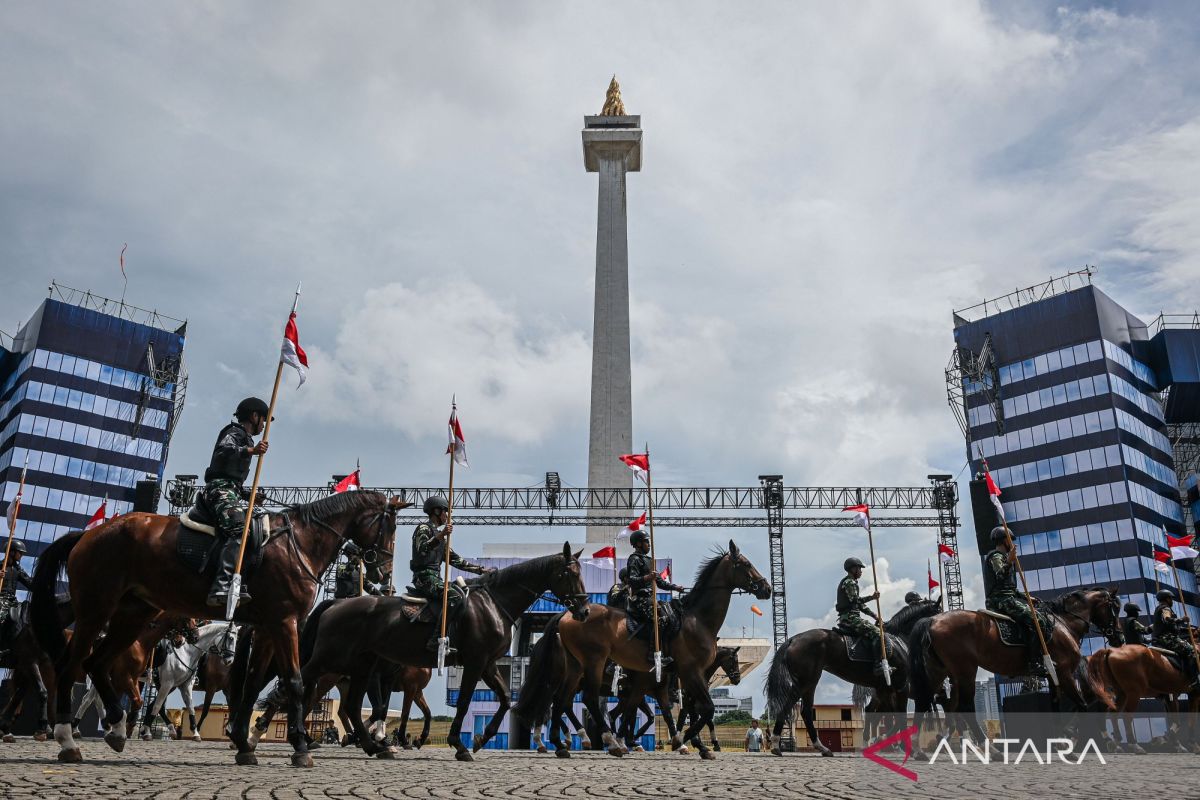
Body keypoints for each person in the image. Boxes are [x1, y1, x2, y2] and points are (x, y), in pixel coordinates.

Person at [202, 397, 270, 608]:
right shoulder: (235, 432)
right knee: (240, 528)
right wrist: (252, 451)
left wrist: (249, 496)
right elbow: (224, 450)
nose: (264, 425)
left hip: (231, 490)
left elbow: (234, 479)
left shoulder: (247, 439)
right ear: (255, 416)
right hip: (218, 489)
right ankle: (222, 583)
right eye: (264, 420)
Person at [410, 495, 491, 651]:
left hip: (436, 578)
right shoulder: (423, 528)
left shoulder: (441, 538)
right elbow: (422, 549)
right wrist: (441, 535)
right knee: (454, 596)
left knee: (463, 592)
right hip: (424, 578)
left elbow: (455, 560)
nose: (447, 516)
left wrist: (480, 570)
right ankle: (436, 639)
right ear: (436, 511)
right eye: (445, 511)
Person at [983, 526, 1043, 676]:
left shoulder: (1004, 557)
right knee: (1037, 621)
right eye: (1010, 540)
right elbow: (1000, 575)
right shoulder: (996, 556)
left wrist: (1027, 598)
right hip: (1001, 600)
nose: (1013, 543)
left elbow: (1010, 588)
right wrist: (1009, 561)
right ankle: (1035, 661)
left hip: (1009, 597)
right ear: (1004, 540)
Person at [625, 530, 685, 664]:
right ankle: (653, 654)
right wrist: (647, 577)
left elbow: (660, 582)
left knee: (672, 616)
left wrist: (675, 587)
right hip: (639, 599)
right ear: (639, 544)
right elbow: (631, 580)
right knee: (660, 620)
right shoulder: (634, 559)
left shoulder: (650, 560)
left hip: (651, 599)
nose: (649, 544)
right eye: (646, 541)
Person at [1152, 588, 1199, 687]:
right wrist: (1182, 619)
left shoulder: (1158, 608)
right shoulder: (1165, 608)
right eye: (1170, 598)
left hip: (1160, 638)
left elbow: (1171, 626)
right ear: (1166, 599)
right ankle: (1194, 679)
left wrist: (1187, 628)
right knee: (1192, 651)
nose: (1172, 601)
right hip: (1167, 638)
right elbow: (1167, 619)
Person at [836, 557, 880, 656]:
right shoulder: (849, 582)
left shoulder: (851, 582)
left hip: (850, 617)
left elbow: (859, 605)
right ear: (853, 569)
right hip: (850, 618)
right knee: (878, 633)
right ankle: (879, 663)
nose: (861, 571)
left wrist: (874, 616)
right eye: (859, 568)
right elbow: (856, 600)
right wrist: (872, 597)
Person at [0, 539, 33, 661]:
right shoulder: (0, 566)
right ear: (12, 552)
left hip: (12, 601)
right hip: (0, 599)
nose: (22, 555)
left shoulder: (18, 570)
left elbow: (30, 583)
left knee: (23, 616)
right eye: (20, 552)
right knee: (1, 615)